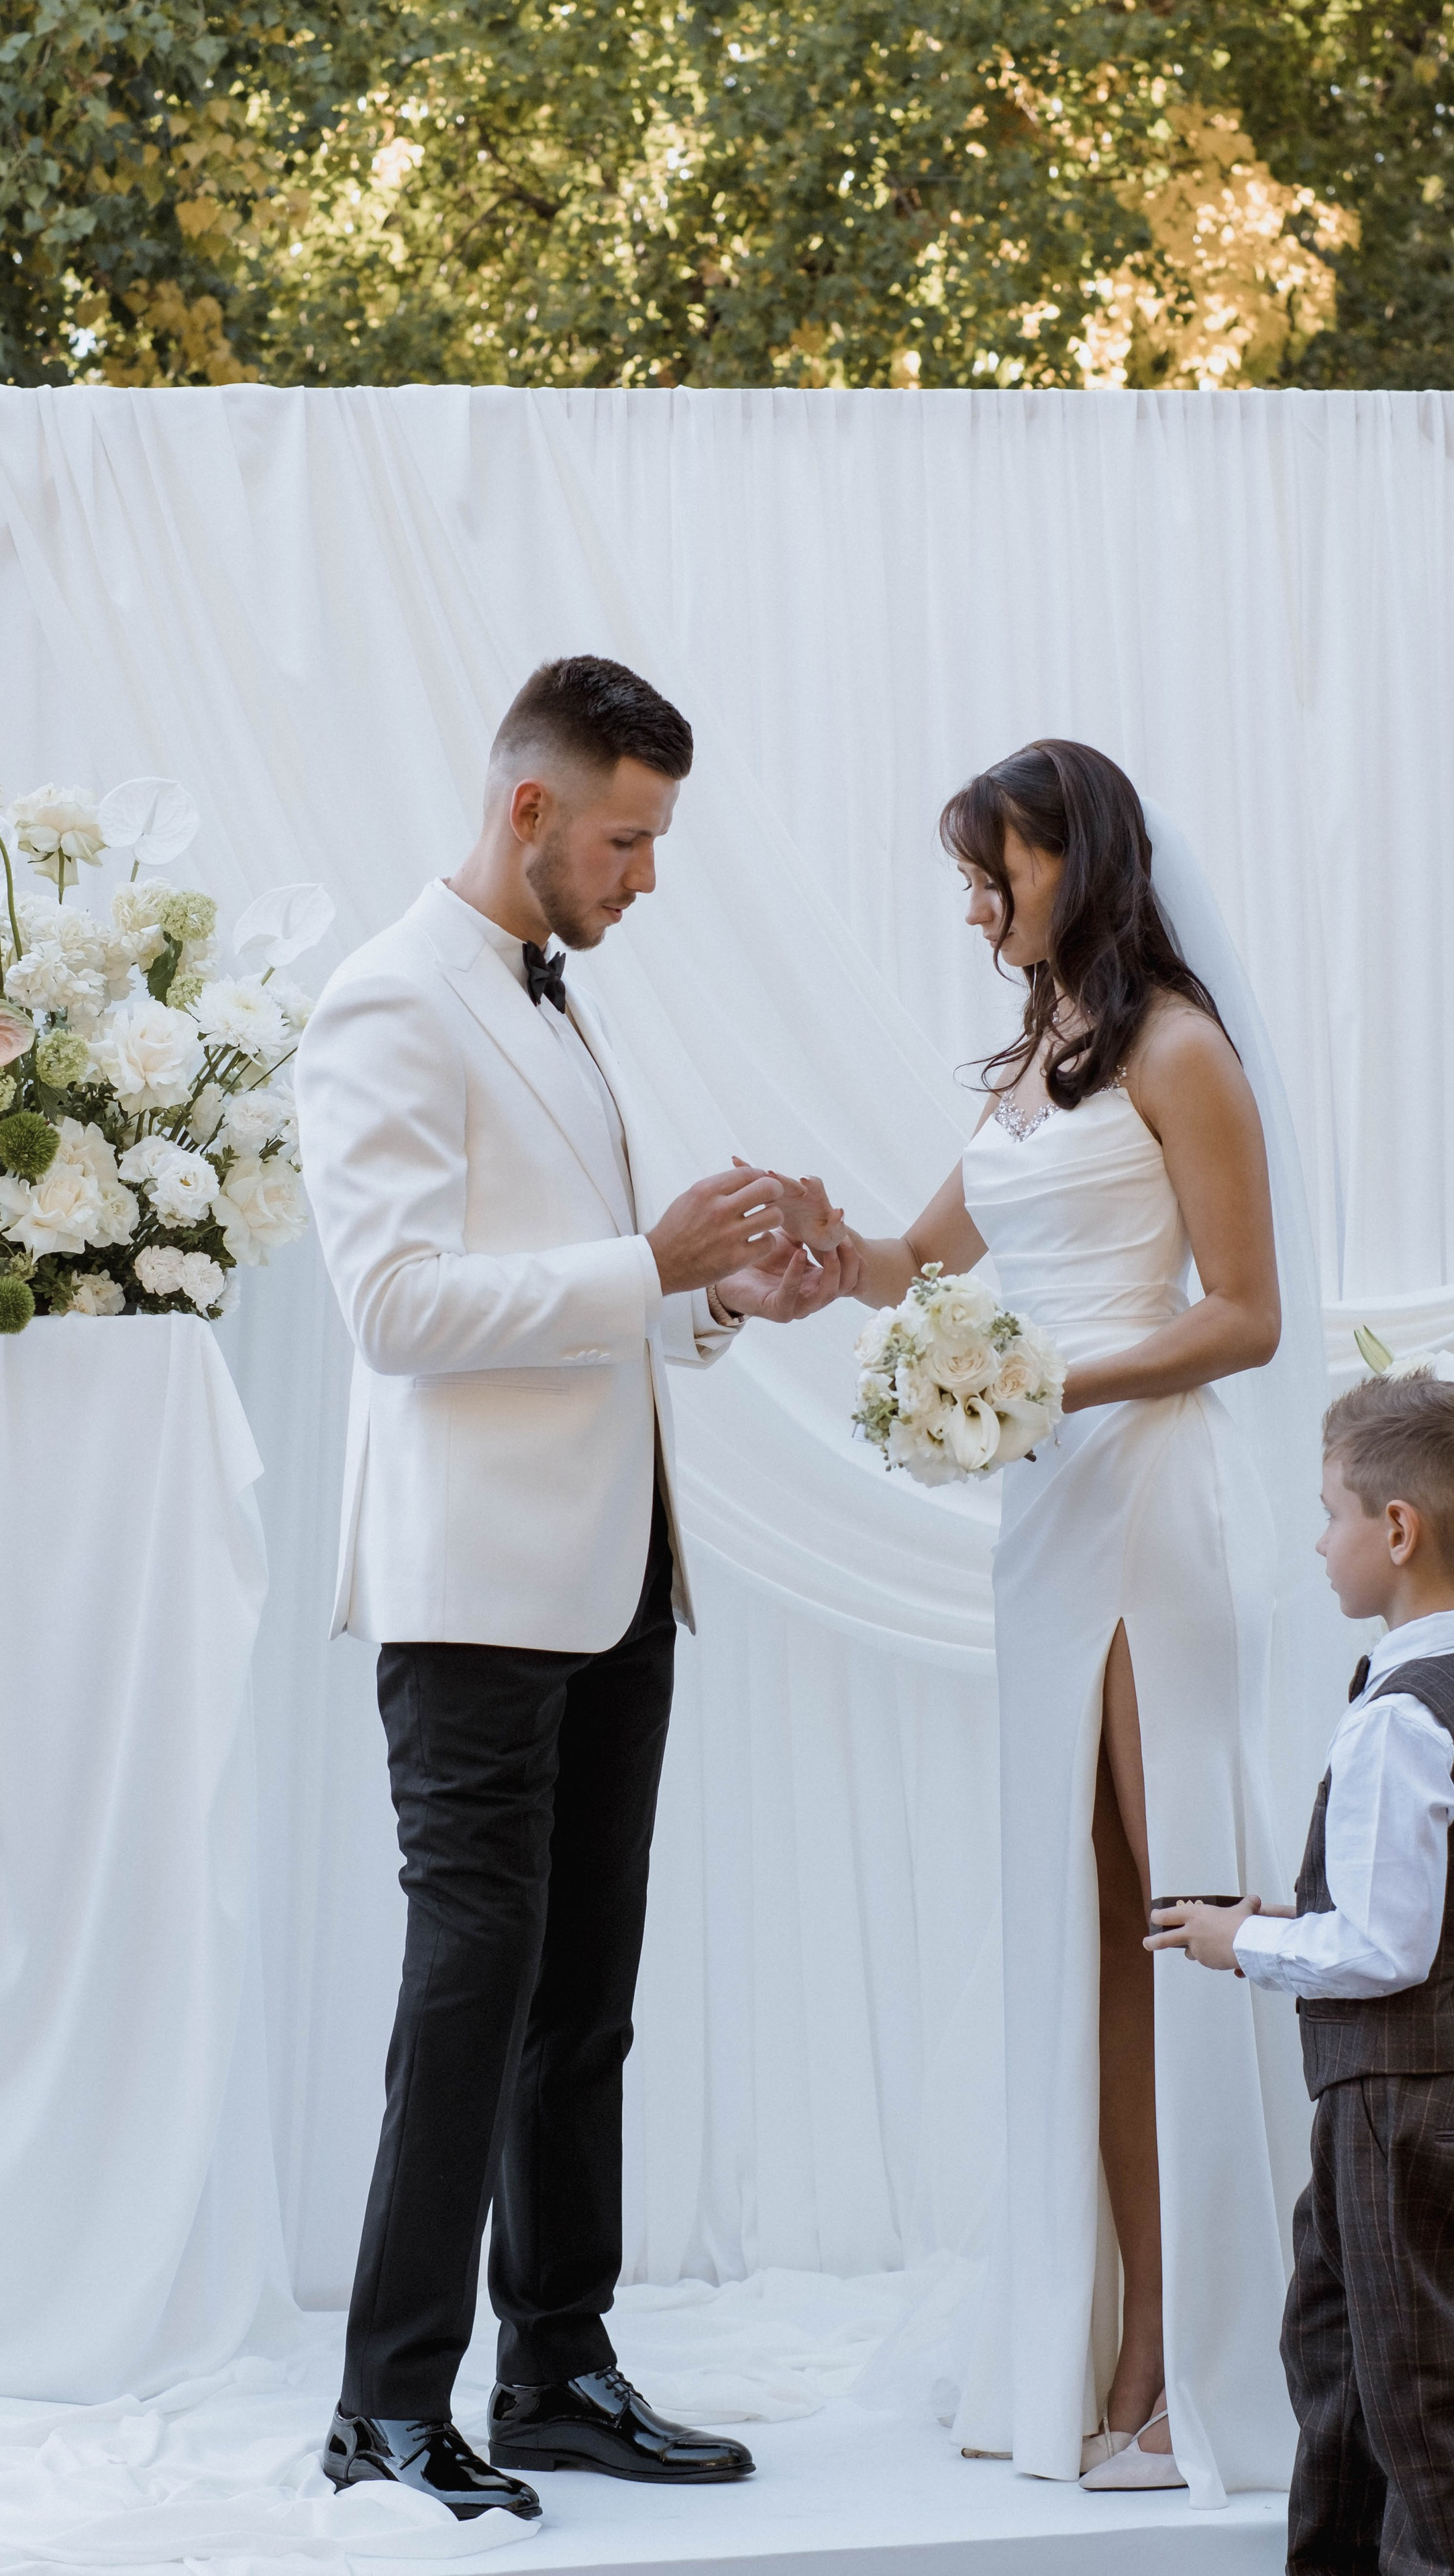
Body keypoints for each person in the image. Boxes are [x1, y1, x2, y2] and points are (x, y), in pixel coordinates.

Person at [295, 655, 854, 2525]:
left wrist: (715, 1299)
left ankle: (557, 2368)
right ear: (530, 810)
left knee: (582, 1999)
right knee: (470, 1990)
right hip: (472, 1595)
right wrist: (643, 1261)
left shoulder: (544, 998)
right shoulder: (388, 1001)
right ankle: (385, 2407)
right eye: (628, 838)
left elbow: (574, 1293)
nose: (644, 877)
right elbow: (394, 1312)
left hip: (618, 1577)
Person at [775, 741, 1310, 2503]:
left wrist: (1045, 1376)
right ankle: (1100, 2331)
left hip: (1153, 1497)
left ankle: (1203, 2346)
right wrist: (808, 1248)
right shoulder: (1032, 1062)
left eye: (993, 870)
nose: (973, 902)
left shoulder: (1180, 1047)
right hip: (1046, 1509)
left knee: (1175, 1906)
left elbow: (1244, 1318)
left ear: (1075, 863)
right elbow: (912, 1263)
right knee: (1085, 1916)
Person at [1152, 1373, 1454, 2576]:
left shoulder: (1403, 1715)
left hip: (1398, 2104)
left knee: (1414, 2395)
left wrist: (1242, 1943)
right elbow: (1420, 1904)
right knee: (1337, 2351)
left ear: (1397, 1530)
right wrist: (1288, 1911)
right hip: (1437, 2089)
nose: (1318, 1541)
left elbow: (1383, 1951)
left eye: (1330, 1513)